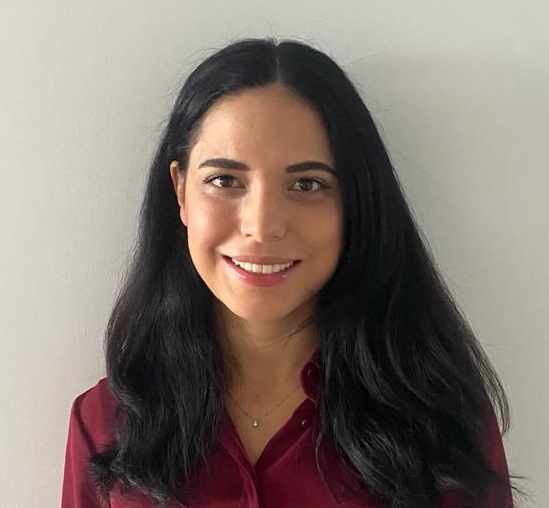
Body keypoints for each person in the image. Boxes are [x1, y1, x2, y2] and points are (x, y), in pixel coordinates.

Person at [61, 38, 514, 508]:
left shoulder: (444, 425)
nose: (262, 226)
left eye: (306, 184)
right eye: (224, 180)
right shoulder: (104, 423)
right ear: (180, 190)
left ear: (354, 201)